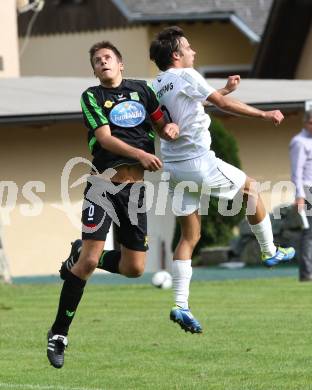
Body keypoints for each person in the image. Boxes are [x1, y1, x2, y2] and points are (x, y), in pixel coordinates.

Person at [149, 26, 295, 334]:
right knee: (252, 188)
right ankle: (269, 251)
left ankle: (180, 304)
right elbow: (223, 107)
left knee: (189, 237)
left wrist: (224, 90)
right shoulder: (188, 74)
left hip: (174, 170)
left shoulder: (158, 84)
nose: (194, 52)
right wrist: (264, 115)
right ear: (176, 55)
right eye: (188, 47)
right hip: (199, 162)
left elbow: (192, 106)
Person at [47, 41, 179, 369]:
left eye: (108, 58)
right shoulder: (92, 96)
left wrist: (171, 127)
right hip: (103, 185)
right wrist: (141, 154)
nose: (103, 62)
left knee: (135, 268)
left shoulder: (143, 90)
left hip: (135, 192)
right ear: (94, 70)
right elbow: (105, 139)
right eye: (97, 60)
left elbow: (164, 121)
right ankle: (59, 334)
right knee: (90, 263)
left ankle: (78, 255)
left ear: (121, 64)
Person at [289, 111, 312, 282]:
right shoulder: (299, 142)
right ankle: (306, 274)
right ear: (305, 123)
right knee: (309, 233)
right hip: (308, 190)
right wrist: (299, 195)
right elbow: (296, 171)